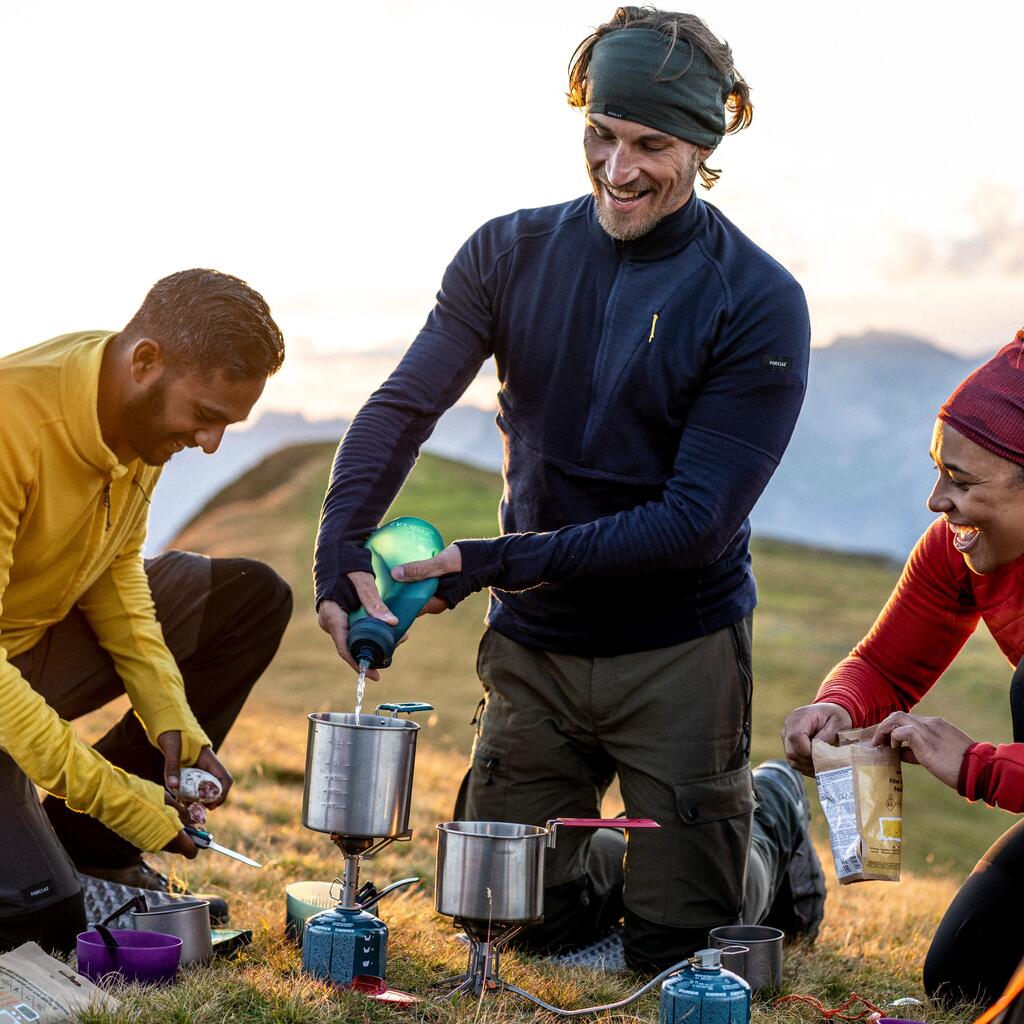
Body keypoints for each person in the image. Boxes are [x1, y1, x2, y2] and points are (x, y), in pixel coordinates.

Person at [315, 8, 816, 971]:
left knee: (682, 944)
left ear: (705, 145)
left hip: (678, 642)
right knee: (502, 920)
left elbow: (693, 524)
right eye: (602, 134)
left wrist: (483, 565)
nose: (618, 169)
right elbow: (403, 405)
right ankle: (599, 855)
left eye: (651, 146)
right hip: (539, 644)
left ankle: (767, 824)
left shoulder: (756, 298)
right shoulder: (507, 254)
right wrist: (341, 548)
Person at [0, 269, 293, 955]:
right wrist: (124, 800)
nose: (211, 441)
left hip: (32, 641)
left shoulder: (139, 419)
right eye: (206, 416)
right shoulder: (13, 420)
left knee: (250, 595)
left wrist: (174, 721)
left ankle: (93, 851)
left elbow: (116, 572)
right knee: (38, 918)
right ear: (145, 363)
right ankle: (63, 857)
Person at [783, 330, 1024, 1006]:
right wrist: (836, 708)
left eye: (963, 481)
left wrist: (977, 765)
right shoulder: (959, 547)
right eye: (938, 469)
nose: (936, 499)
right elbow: (885, 665)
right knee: (963, 977)